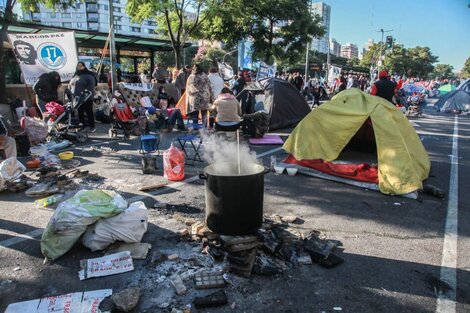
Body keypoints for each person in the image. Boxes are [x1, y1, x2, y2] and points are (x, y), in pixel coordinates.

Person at [69, 62, 97, 132]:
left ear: (84, 66)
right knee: (80, 112)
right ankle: (82, 126)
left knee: (89, 112)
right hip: (77, 97)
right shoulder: (76, 75)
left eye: (81, 66)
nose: (79, 67)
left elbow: (91, 84)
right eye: (78, 66)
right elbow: (71, 83)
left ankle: (92, 126)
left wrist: (85, 92)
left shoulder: (89, 75)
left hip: (86, 97)